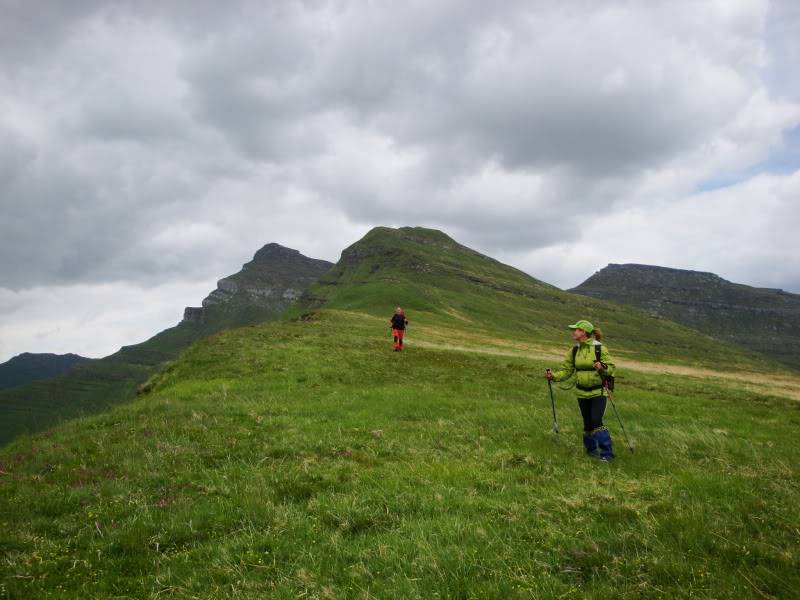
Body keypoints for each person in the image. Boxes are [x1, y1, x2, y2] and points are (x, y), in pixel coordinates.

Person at [545, 319, 616, 460]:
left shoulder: (599, 348)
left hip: (598, 391)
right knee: (587, 423)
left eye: (576, 329)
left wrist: (603, 367)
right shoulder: (574, 350)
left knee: (596, 421)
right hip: (581, 392)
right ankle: (591, 452)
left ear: (584, 332)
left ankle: (607, 454)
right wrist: (553, 376)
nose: (573, 332)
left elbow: (611, 367)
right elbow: (567, 371)